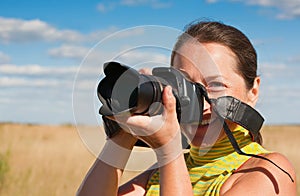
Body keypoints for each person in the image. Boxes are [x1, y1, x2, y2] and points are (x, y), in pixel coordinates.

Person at [77, 20, 297, 195]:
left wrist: (169, 149)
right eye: (184, 85)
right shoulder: (162, 173)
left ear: (254, 91)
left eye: (216, 85)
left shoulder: (269, 171)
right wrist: (124, 134)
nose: (198, 104)